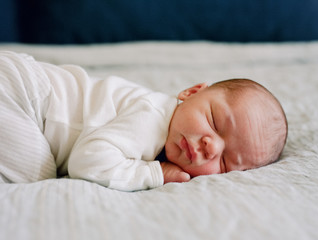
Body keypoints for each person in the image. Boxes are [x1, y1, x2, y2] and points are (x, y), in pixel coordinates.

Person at [0, 51, 288, 191]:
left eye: (225, 163)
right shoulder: (153, 119)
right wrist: (155, 174)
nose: (210, 147)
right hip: (20, 91)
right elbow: (86, 162)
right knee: (36, 178)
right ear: (190, 93)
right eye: (214, 120)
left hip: (21, 89)